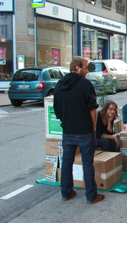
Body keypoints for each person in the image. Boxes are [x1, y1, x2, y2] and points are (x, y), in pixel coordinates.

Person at [53, 56, 104, 204]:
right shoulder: (85, 84)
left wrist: (65, 121)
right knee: (87, 163)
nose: (87, 71)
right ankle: (91, 195)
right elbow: (93, 109)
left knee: (66, 162)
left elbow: (56, 108)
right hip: (84, 131)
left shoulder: (59, 85)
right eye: (86, 67)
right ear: (77, 68)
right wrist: (93, 126)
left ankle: (66, 192)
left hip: (67, 130)